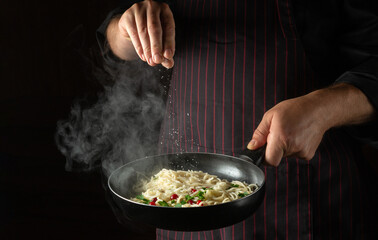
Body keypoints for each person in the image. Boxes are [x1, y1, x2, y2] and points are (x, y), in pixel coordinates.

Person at [97, 0, 378, 239]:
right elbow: (115, 32)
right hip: (179, 194)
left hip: (310, 184)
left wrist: (324, 109)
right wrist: (129, 30)